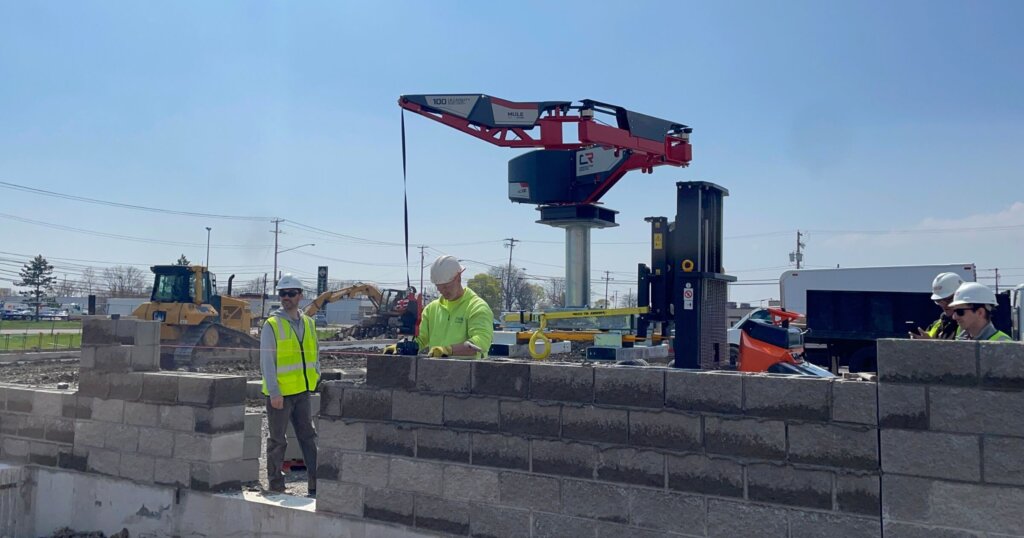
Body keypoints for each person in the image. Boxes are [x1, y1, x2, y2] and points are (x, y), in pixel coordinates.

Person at [260, 274, 321, 495]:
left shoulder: (309, 323)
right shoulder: (272, 325)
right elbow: (267, 361)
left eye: (291, 293)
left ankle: (316, 484)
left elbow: (315, 353)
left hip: (302, 392)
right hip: (281, 395)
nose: (286, 297)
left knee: (309, 438)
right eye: (283, 293)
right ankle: (276, 485)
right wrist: (275, 392)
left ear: (300, 296)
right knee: (277, 440)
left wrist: (316, 376)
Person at [413, 255, 494, 358]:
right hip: (436, 371)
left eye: (446, 286)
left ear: (459, 278)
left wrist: (449, 350)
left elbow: (481, 342)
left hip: (468, 372)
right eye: (439, 287)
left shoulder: (477, 307)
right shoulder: (431, 309)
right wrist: (402, 347)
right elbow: (421, 339)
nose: (442, 291)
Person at [910, 272, 962, 339]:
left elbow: (962, 348)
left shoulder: (968, 325)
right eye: (939, 301)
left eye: (948, 299)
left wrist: (930, 344)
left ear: (960, 295)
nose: (943, 305)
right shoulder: (937, 325)